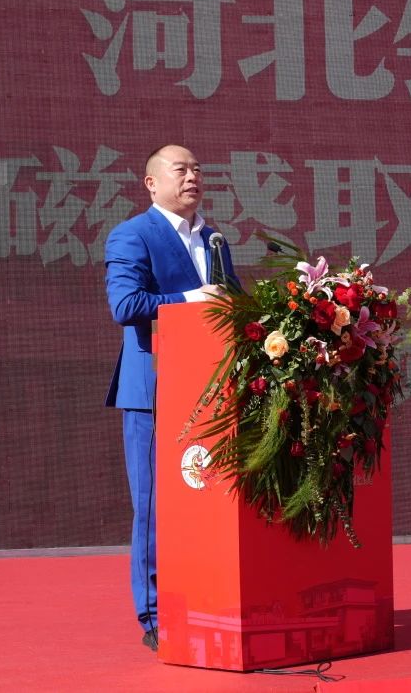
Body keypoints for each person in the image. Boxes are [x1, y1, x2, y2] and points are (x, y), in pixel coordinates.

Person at [104, 144, 238, 652]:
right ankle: (155, 616)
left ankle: (210, 599)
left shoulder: (214, 240)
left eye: (197, 169)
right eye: (180, 169)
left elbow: (233, 304)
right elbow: (126, 305)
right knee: (154, 507)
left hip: (213, 394)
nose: (192, 176)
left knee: (210, 503)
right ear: (151, 183)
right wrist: (189, 299)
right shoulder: (134, 234)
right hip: (155, 393)